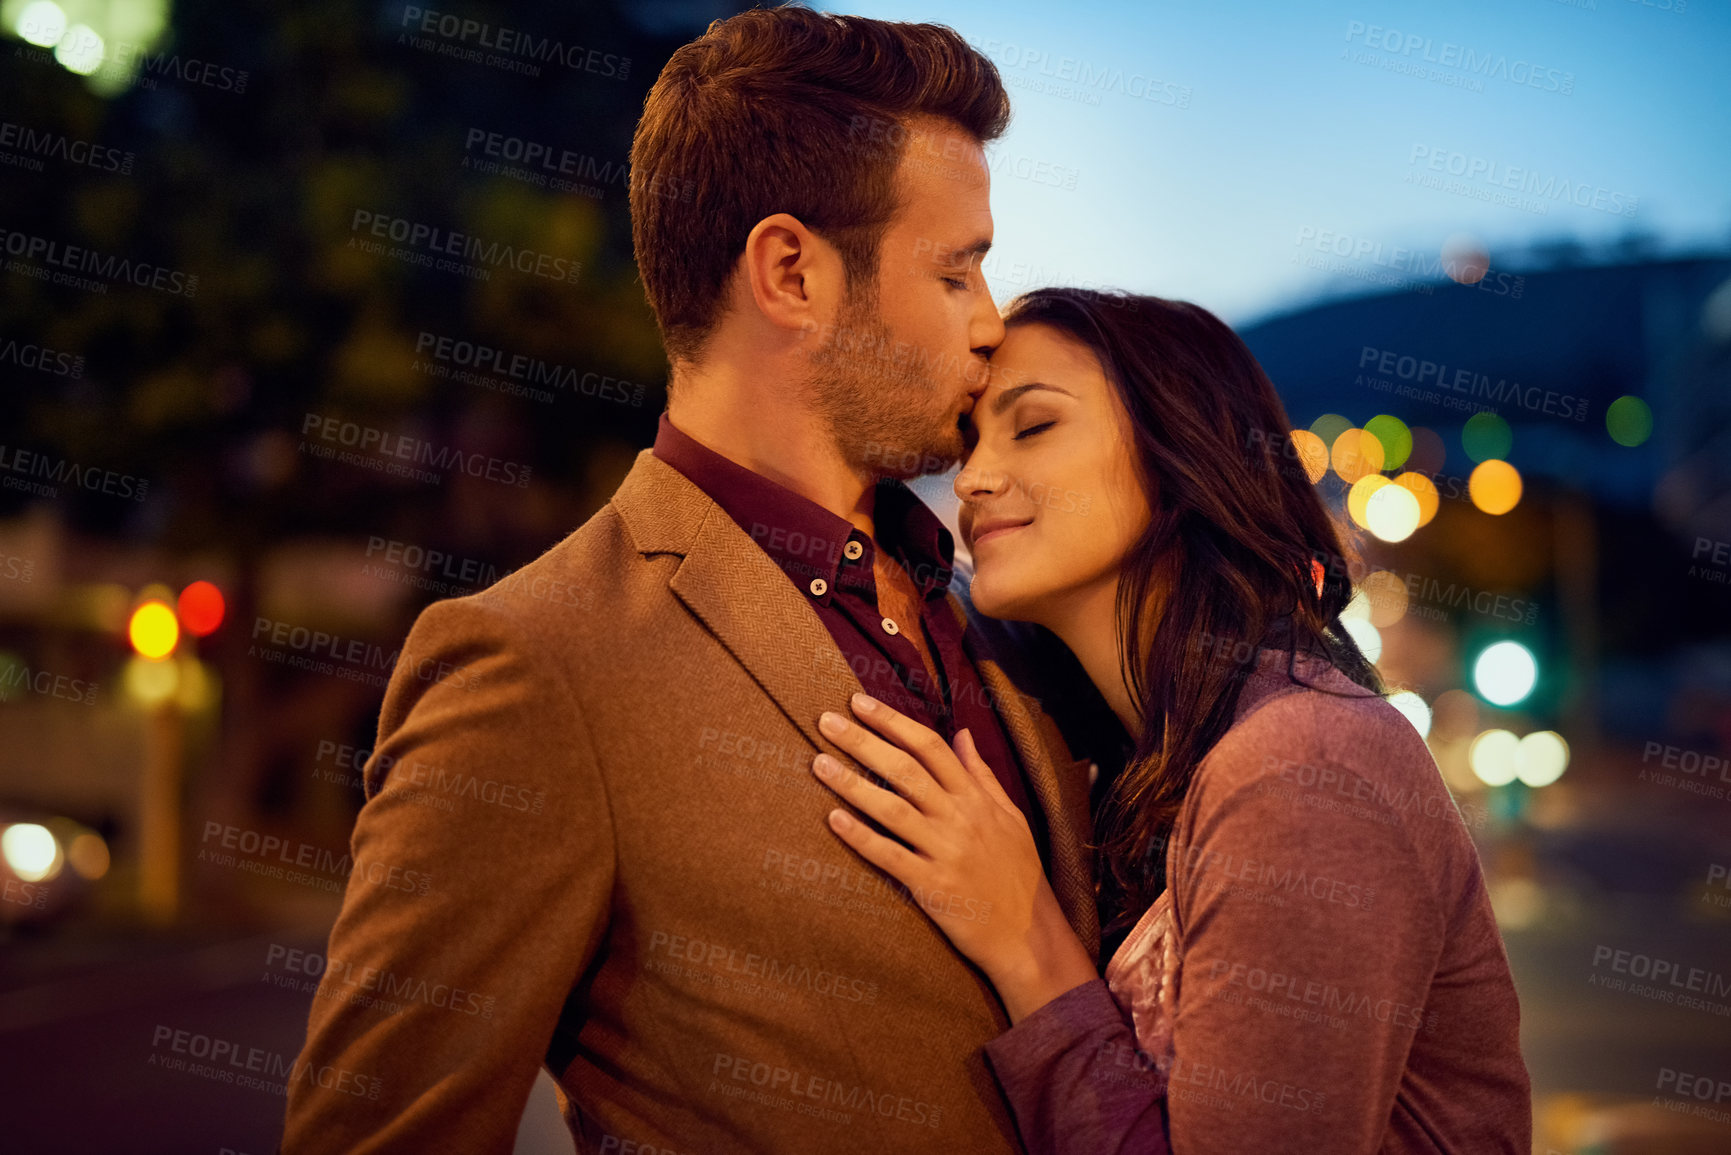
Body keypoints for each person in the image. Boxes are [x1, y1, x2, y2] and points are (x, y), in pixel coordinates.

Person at [279, 9, 1107, 1154]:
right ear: (789, 273)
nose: (990, 321)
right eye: (956, 270)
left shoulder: (994, 607)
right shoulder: (535, 665)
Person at [809, 287, 1534, 1153]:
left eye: (1031, 426)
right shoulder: (1148, 752)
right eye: (969, 444)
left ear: (1178, 453)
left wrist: (1023, 935)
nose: (971, 479)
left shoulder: (1303, 761)